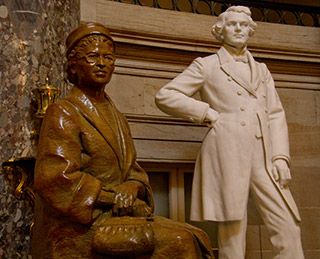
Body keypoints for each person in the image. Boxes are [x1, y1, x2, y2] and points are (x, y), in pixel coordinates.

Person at [33, 22, 213, 258]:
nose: (101, 64)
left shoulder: (117, 115)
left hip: (117, 217)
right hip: (82, 225)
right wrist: (113, 197)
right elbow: (55, 179)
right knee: (180, 241)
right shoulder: (64, 111)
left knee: (197, 235)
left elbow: (133, 171)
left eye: (108, 58)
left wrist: (133, 186)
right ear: (73, 66)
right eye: (92, 57)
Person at [155, 6, 304, 259]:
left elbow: (276, 113)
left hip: (264, 156)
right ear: (220, 31)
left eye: (244, 25)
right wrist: (207, 113)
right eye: (233, 24)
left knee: (288, 225)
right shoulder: (207, 65)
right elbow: (165, 95)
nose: (238, 29)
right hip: (227, 152)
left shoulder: (262, 69)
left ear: (250, 31)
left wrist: (280, 157)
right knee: (232, 232)